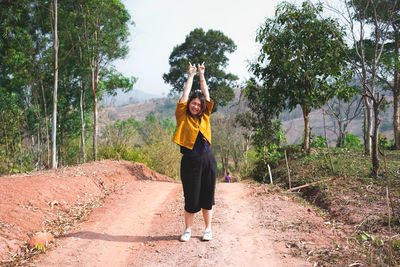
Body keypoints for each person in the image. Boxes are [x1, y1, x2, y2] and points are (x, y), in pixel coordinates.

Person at [172, 62, 218, 242]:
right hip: (190, 162)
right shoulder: (182, 116)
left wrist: (202, 75)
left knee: (208, 196)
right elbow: (184, 96)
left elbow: (206, 95)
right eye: (193, 103)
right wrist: (191, 76)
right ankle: (188, 230)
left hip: (208, 160)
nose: (196, 106)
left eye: (199, 105)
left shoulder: (205, 115)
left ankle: (208, 229)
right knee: (191, 197)